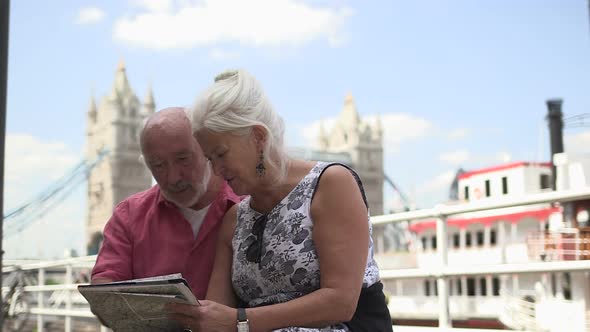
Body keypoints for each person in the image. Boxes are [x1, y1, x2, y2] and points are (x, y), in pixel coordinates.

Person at [168, 70, 392, 332]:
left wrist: (240, 322)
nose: (216, 170)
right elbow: (219, 314)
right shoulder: (234, 220)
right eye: (209, 159)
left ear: (259, 137)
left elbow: (340, 302)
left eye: (221, 154)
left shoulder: (331, 184)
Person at [91, 107, 241, 301]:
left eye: (183, 159)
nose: (173, 178)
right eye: (158, 165)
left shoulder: (249, 205)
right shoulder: (128, 216)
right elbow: (104, 291)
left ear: (207, 149)